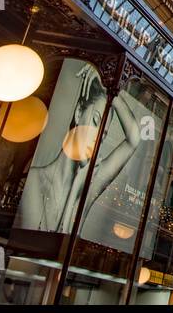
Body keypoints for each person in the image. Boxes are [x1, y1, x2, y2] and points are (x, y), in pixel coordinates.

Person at [16, 64, 145, 233]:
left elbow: (134, 139)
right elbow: (33, 243)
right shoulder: (36, 178)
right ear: (78, 113)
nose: (96, 139)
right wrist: (108, 85)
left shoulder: (90, 182)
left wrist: (114, 95)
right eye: (94, 122)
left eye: (103, 135)